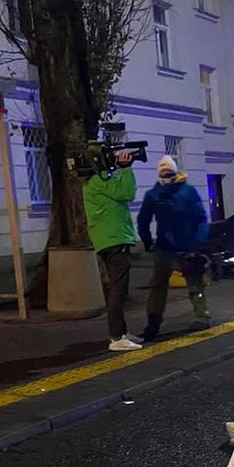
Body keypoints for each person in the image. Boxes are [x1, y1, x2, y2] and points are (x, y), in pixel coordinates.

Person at [137, 155, 211, 341]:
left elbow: (201, 219)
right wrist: (148, 241)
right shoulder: (173, 193)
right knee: (162, 287)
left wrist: (197, 242)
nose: (166, 176)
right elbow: (143, 221)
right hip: (169, 246)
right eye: (163, 172)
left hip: (184, 245)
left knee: (191, 283)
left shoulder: (173, 193)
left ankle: (200, 317)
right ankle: (155, 323)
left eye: (168, 172)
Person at [82, 150, 142, 352]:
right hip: (114, 239)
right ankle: (116, 337)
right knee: (118, 289)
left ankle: (121, 333)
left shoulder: (94, 182)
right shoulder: (99, 182)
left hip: (110, 239)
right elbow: (127, 193)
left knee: (118, 288)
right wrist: (125, 168)